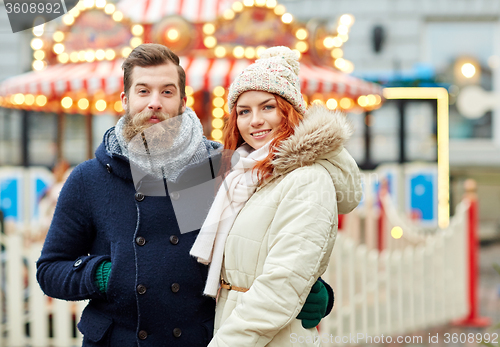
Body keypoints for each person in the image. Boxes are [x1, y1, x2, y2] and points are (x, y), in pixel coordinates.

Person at [36, 43, 333, 346]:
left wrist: (313, 287)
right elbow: (49, 269)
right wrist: (104, 275)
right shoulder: (91, 178)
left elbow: (263, 242)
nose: (155, 102)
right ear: (125, 100)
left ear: (182, 101)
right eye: (143, 91)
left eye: (167, 92)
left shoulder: (224, 169)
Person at [190, 46, 362, 346]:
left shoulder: (307, 179)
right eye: (244, 111)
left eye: (267, 107)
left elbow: (281, 285)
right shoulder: (247, 176)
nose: (254, 120)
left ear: (290, 111)